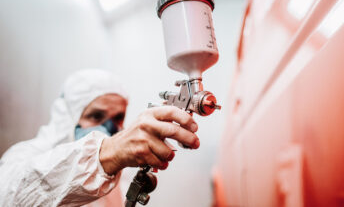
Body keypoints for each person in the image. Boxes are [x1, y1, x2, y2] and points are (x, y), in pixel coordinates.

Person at [0, 69, 199, 206]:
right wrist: (106, 154)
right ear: (68, 118)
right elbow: (10, 196)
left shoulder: (117, 174)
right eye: (96, 116)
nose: (108, 128)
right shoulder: (26, 155)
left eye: (118, 118)